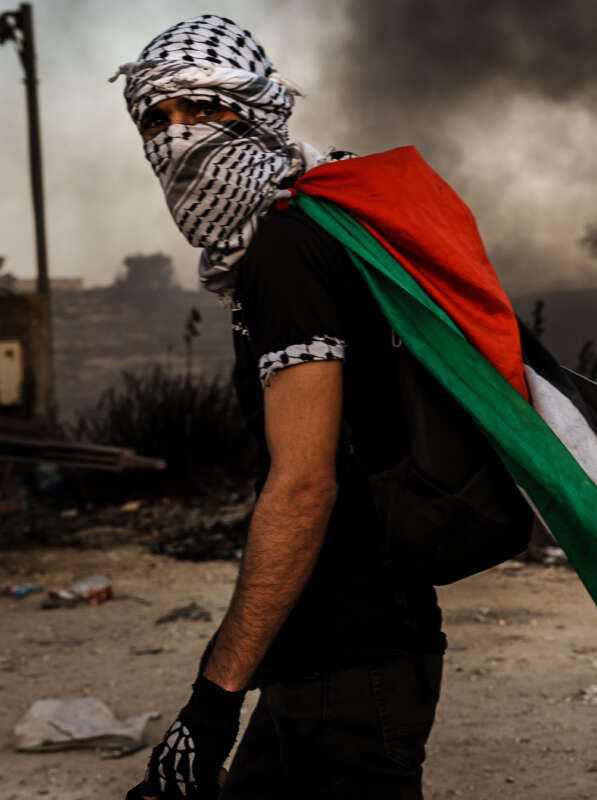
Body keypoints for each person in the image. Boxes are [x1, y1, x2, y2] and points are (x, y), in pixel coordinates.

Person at [113, 16, 445, 799]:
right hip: (329, 658)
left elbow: (304, 485)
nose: (174, 134)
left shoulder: (289, 252)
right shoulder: (300, 236)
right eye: (154, 117)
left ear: (255, 109)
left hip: (356, 662)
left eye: (198, 107)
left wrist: (211, 704)